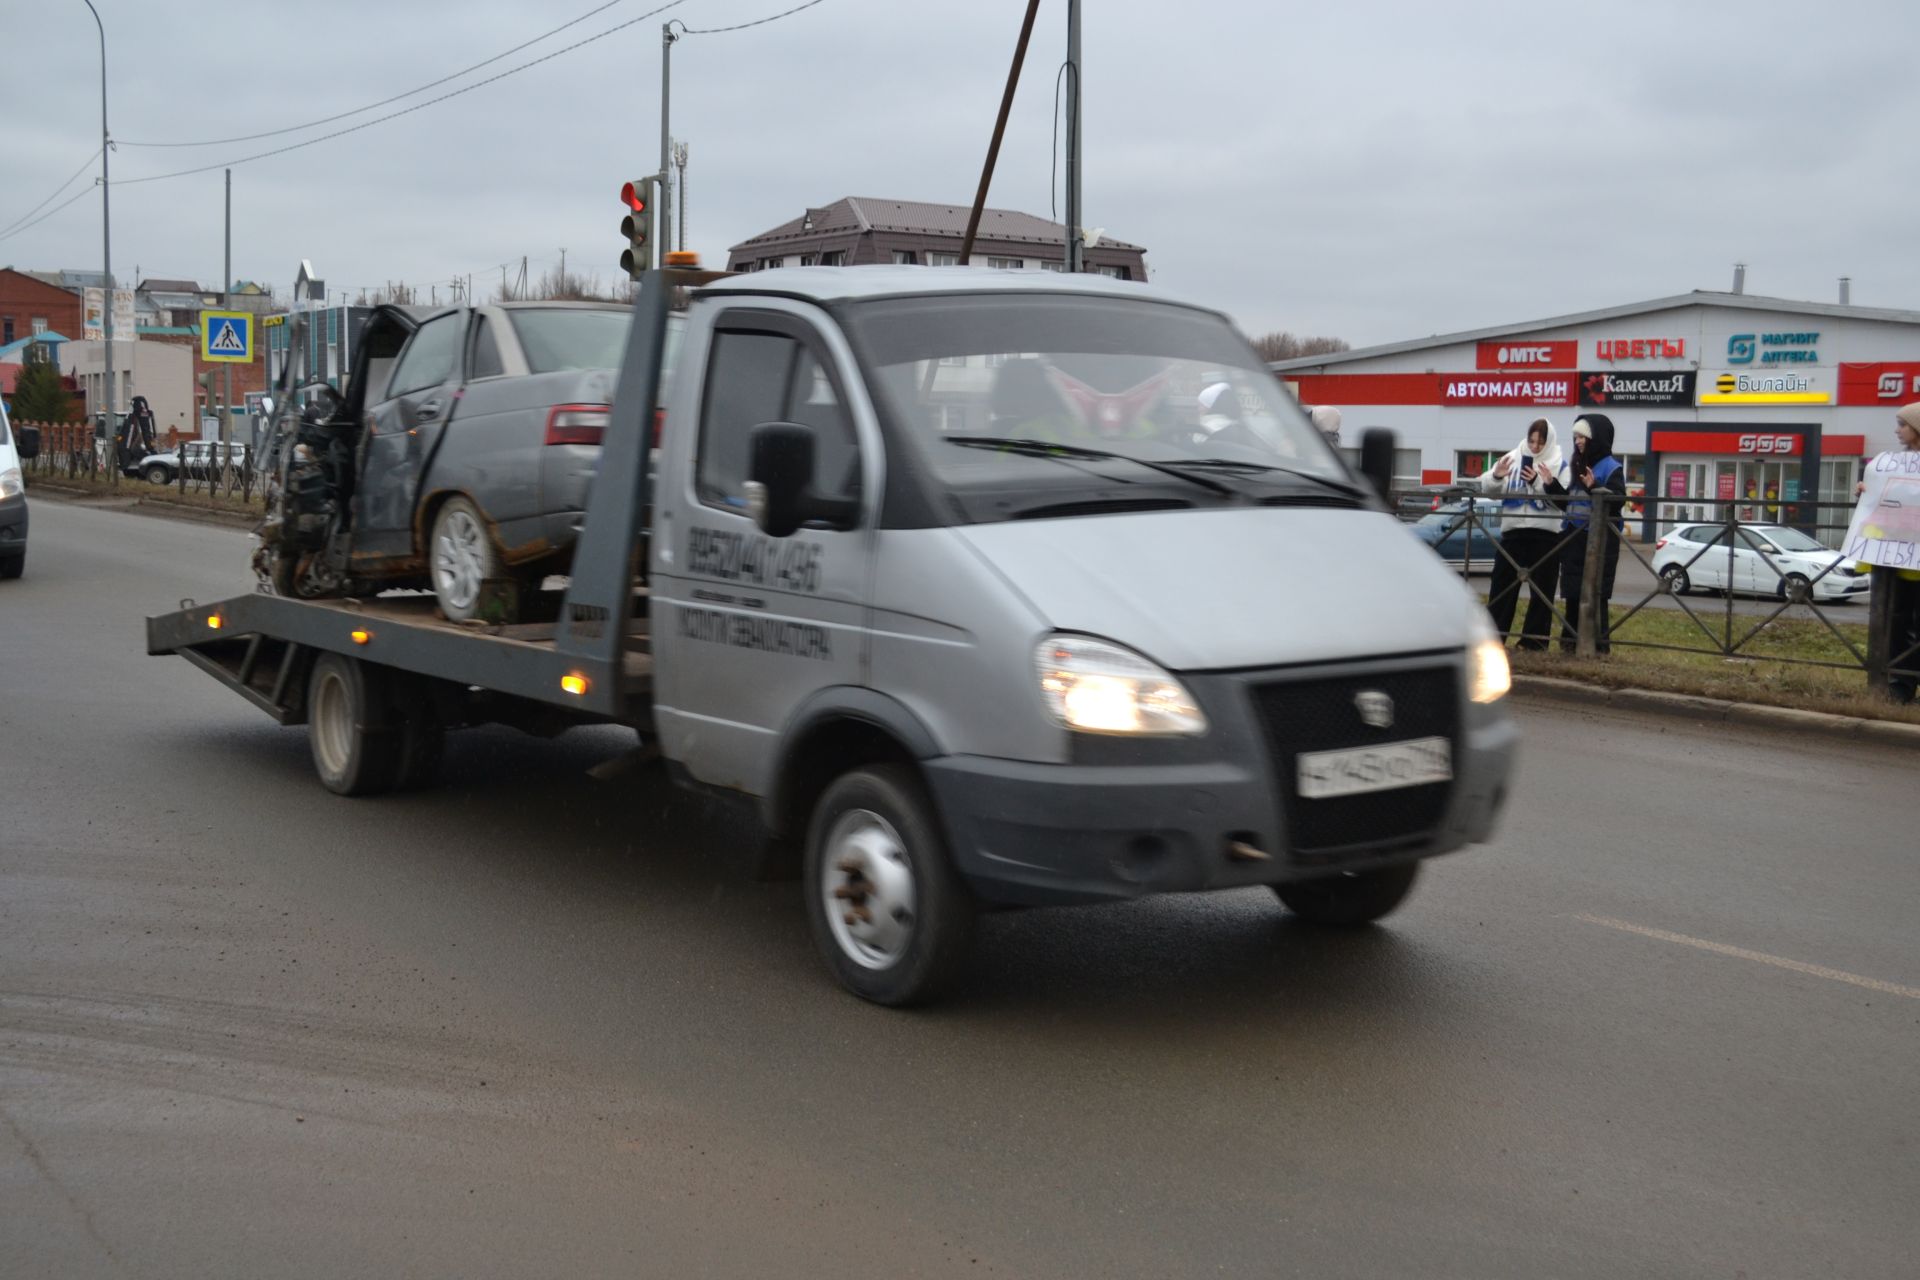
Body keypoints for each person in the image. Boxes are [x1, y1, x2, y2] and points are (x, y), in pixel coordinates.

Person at [1477, 417, 1566, 650]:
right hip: (1513, 532)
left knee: (1542, 592)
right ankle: (1494, 639)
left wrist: (1540, 481)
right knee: (1502, 587)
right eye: (1532, 441)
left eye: (1540, 442)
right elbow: (1488, 488)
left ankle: (1534, 642)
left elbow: (1563, 502)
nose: (1535, 447)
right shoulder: (1512, 457)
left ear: (1549, 442)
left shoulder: (1559, 463)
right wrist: (1497, 475)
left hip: (1545, 535)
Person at [1854, 402, 1920, 701]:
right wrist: (1867, 489)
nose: (1897, 430)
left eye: (1902, 424)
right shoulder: (1892, 463)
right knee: (1898, 624)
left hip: (1908, 558)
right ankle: (1900, 686)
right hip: (1898, 562)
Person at [1546, 413, 1627, 654]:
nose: (1578, 441)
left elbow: (1617, 501)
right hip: (1573, 539)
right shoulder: (1577, 465)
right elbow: (1569, 504)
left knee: (1597, 597)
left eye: (1583, 436)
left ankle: (1599, 650)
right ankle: (1569, 646)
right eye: (1576, 437)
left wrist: (1595, 488)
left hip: (1600, 542)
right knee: (1571, 595)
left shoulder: (1611, 468)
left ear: (1597, 437)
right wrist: (1551, 485)